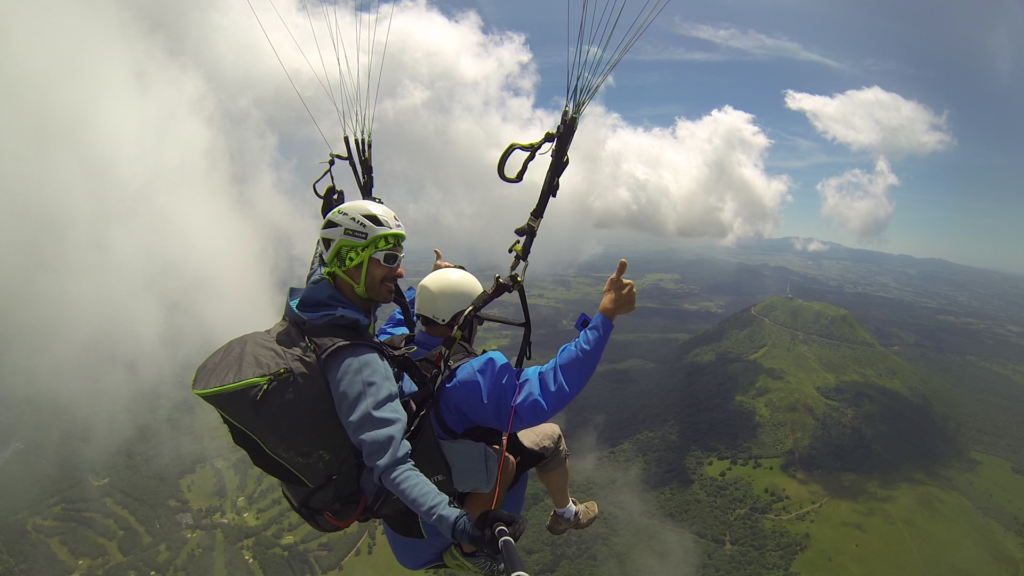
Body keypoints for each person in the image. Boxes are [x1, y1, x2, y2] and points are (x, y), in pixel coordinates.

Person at [283, 200, 521, 556]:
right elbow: (392, 464)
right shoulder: (356, 358)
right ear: (353, 259)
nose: (401, 272)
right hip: (380, 483)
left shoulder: (319, 307)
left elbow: (329, 269)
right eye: (391, 260)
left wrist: (429, 285)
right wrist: (463, 527)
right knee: (507, 454)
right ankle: (467, 559)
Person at [377, 251, 637, 574]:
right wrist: (605, 316)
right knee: (521, 453)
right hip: (446, 533)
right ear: (464, 322)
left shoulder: (388, 347)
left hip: (406, 532)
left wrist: (429, 287)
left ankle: (565, 513)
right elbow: (551, 384)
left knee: (530, 440)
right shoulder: (471, 377)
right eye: (476, 319)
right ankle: (474, 551)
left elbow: (403, 318)